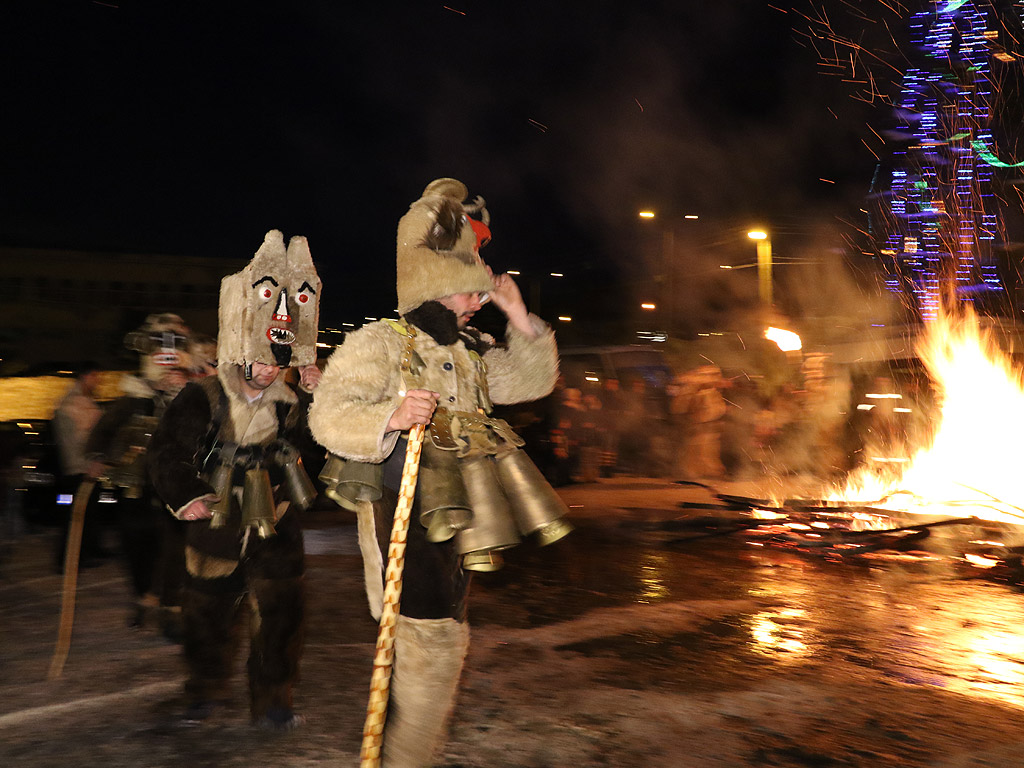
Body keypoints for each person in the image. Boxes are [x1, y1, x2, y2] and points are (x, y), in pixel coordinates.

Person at [309, 178, 570, 767]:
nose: (480, 300)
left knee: (437, 632)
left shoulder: (471, 350)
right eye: (470, 291)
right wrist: (393, 414)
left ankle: (407, 750)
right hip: (400, 511)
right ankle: (407, 758)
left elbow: (529, 382)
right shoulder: (381, 342)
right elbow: (328, 416)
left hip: (463, 516)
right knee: (431, 639)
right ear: (438, 283)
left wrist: (520, 319)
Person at [148, 230, 322, 729]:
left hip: (277, 525)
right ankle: (203, 690)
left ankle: (273, 700)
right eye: (263, 360)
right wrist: (188, 496)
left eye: (279, 362)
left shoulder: (291, 402)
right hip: (215, 523)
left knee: (282, 620)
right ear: (242, 347)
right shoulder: (201, 395)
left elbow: (320, 453)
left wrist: (318, 397)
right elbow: (165, 453)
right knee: (206, 619)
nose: (270, 371)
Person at [86, 313, 192, 634]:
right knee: (136, 548)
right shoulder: (132, 399)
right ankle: (144, 597)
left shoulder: (191, 399)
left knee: (174, 552)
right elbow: (102, 432)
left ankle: (171, 609)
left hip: (176, 490)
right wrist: (96, 457)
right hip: (135, 492)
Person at [50, 362, 107, 569]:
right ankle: (68, 559)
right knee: (75, 515)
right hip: (78, 470)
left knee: (86, 514)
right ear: (86, 376)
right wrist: (90, 463)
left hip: (81, 468)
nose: (98, 381)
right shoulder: (75, 404)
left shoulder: (78, 401)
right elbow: (81, 440)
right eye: (96, 377)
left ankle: (86, 552)